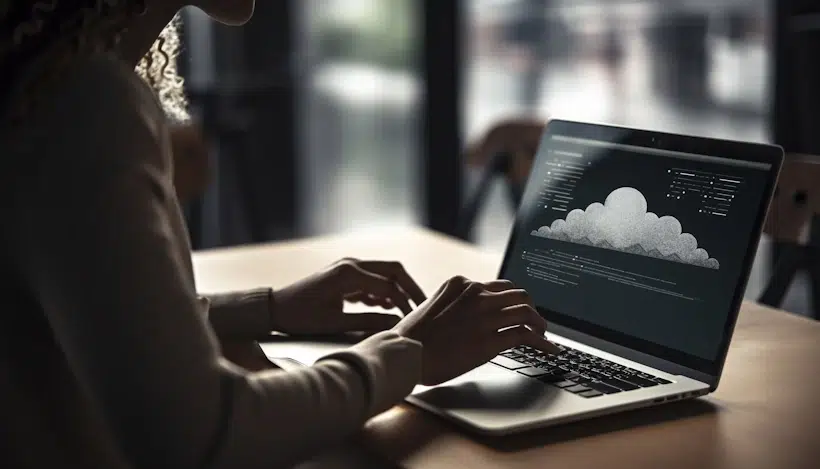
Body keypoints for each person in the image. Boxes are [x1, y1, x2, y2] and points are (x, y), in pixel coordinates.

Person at [0, 2, 558, 468]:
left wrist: (269, 309)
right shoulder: (85, 104)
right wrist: (409, 353)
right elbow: (206, 434)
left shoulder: (46, 78)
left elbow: (95, 322)